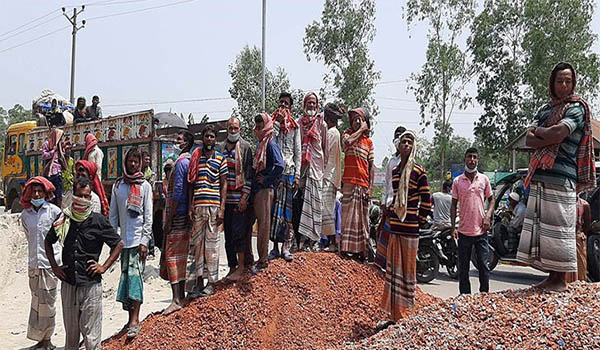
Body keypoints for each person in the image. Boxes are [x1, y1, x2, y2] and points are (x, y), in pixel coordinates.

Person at [517, 62, 595, 292]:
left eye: (568, 81)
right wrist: (546, 135)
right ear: (552, 83)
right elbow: (528, 140)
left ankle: (560, 279)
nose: (563, 86)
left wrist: (542, 133)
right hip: (542, 175)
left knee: (559, 229)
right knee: (544, 229)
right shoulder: (545, 110)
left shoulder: (577, 108)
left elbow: (560, 132)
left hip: (562, 177)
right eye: (559, 81)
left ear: (573, 83)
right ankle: (552, 277)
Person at [45, 176, 123, 350]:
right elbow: (48, 241)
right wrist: (55, 267)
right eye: (80, 195)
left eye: (87, 196)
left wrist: (103, 266)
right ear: (74, 196)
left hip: (91, 285)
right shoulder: (63, 218)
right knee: (71, 337)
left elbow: (118, 244)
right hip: (69, 284)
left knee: (92, 338)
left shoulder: (98, 220)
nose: (83, 200)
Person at [379, 130, 432, 329]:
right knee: (393, 271)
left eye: (409, 142)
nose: (406, 145)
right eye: (403, 142)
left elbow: (426, 201)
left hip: (410, 229)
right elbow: (394, 197)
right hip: (396, 227)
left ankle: (407, 314)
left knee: (407, 272)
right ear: (398, 146)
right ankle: (394, 315)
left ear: (413, 147)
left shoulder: (419, 171)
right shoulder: (394, 172)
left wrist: (417, 220)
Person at [109, 148, 153, 339]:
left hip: (137, 242)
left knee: (136, 279)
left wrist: (144, 241)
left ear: (141, 163)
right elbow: (113, 215)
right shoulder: (118, 186)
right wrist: (113, 240)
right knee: (126, 281)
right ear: (125, 162)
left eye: (136, 161)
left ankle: (135, 320)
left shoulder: (145, 187)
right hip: (122, 243)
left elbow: (148, 217)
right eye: (130, 161)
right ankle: (129, 319)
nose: (133, 164)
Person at [20, 177, 62, 350]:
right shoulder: (25, 215)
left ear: (46, 193)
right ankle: (40, 340)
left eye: (40, 191)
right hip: (34, 265)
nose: (37, 194)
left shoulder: (54, 212)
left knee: (49, 304)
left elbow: (60, 236)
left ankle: (48, 340)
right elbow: (29, 237)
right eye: (34, 191)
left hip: (50, 266)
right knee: (37, 303)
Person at [187, 125, 228, 297]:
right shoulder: (195, 158)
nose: (209, 139)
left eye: (212, 137)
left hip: (213, 207)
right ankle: (198, 283)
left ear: (215, 139)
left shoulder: (220, 158)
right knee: (197, 246)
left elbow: (224, 184)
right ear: (202, 139)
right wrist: (191, 205)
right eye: (207, 136)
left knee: (212, 247)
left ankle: (212, 283)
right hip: (198, 206)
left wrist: (222, 208)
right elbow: (191, 183)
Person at [451, 147, 495, 295]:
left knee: (483, 266)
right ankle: (465, 298)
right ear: (465, 159)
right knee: (463, 268)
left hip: (481, 231)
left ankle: (484, 297)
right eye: (469, 157)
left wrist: (488, 215)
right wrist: (453, 227)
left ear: (477, 160)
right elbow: (453, 204)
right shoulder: (457, 181)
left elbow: (492, 200)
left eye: (474, 157)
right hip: (463, 231)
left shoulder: (484, 179)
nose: (472, 160)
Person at [162, 132, 193, 315]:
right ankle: (180, 295)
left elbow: (178, 192)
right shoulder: (189, 161)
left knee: (172, 256)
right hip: (184, 214)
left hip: (178, 214)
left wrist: (170, 217)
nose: (176, 142)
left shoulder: (181, 163)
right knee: (182, 256)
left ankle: (175, 298)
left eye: (179, 140)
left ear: (186, 143)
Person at [339, 108, 375, 260]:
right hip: (349, 182)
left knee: (362, 220)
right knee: (348, 217)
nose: (356, 122)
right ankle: (346, 249)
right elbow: (347, 143)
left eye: (359, 119)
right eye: (354, 120)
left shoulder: (369, 143)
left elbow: (371, 166)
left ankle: (361, 251)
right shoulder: (347, 135)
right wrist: (360, 130)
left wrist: (370, 188)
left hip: (363, 184)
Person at [221, 116, 254, 280]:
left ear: (240, 129)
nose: (233, 131)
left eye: (235, 128)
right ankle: (231, 267)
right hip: (224, 200)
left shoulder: (245, 147)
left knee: (239, 234)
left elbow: (249, 175)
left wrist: (244, 197)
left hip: (238, 199)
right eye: (230, 128)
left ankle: (241, 267)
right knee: (228, 236)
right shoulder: (221, 148)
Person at [270, 92, 301, 261]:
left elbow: (298, 152)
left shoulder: (295, 127)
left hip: (289, 172)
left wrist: (297, 176)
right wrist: (277, 123)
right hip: (275, 173)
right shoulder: (272, 123)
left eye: (286, 103)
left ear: (290, 107)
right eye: (281, 102)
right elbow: (270, 141)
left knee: (287, 212)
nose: (283, 106)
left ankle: (286, 247)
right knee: (275, 211)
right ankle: (274, 247)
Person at [252, 113, 284, 274]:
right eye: (256, 127)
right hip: (259, 190)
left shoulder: (270, 144)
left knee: (263, 225)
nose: (257, 130)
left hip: (265, 190)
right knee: (260, 224)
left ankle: (263, 260)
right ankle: (260, 258)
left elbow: (280, 165)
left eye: (260, 127)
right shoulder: (261, 145)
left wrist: (265, 180)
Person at [296, 92, 329, 251]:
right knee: (302, 204)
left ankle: (314, 239)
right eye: (308, 103)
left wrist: (322, 168)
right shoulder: (298, 123)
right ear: (304, 105)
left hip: (316, 168)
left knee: (316, 205)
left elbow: (325, 148)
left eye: (313, 103)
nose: (311, 106)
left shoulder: (321, 124)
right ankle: (302, 239)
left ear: (317, 105)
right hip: (303, 167)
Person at [375, 126, 406, 269]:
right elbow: (386, 183)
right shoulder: (391, 161)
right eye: (397, 136)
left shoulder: (408, 161)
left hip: (401, 206)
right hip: (388, 205)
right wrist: (383, 202)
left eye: (402, 136)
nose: (399, 139)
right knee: (384, 235)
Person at [321, 103, 344, 252]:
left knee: (326, 209)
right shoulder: (335, 132)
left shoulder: (332, 133)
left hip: (328, 174)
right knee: (328, 208)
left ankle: (331, 243)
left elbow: (325, 154)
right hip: (330, 174)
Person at [567, 197, 591, 282]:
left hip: (578, 237)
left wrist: (582, 234)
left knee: (580, 265)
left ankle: (579, 283)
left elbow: (587, 223)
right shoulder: (564, 202)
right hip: (565, 237)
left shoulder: (584, 205)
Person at [42, 128, 66, 208]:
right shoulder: (47, 144)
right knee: (50, 195)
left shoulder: (58, 144)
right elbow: (44, 156)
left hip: (58, 173)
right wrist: (53, 151)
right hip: (50, 174)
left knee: (59, 195)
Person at [62, 141, 75, 209]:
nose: (68, 151)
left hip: (70, 184)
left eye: (70, 149)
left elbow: (73, 171)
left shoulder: (71, 160)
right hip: (62, 184)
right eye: (67, 149)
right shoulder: (61, 160)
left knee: (69, 203)